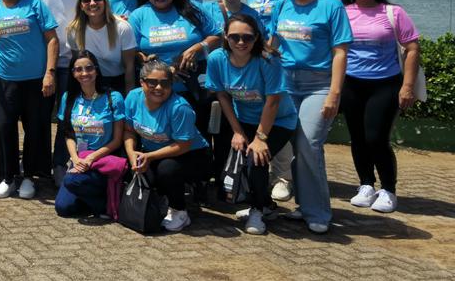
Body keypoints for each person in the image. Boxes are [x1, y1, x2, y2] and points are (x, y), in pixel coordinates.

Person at [268, 0, 351, 234]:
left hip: (319, 85)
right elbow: (272, 43)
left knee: (308, 144)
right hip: (285, 82)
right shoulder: (282, 4)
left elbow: (340, 51)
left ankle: (318, 211)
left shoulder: (331, 6)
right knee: (289, 144)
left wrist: (334, 94)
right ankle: (303, 206)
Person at [204, 15, 298, 235]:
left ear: (256, 37)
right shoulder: (217, 59)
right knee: (239, 158)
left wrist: (260, 138)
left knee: (256, 158)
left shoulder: (268, 59)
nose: (240, 42)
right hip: (244, 118)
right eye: (234, 36)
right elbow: (223, 95)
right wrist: (237, 131)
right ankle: (266, 205)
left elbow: (273, 101)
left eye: (247, 37)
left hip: (279, 120)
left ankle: (257, 210)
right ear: (225, 37)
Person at [339, 0, 421, 214]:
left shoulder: (393, 12)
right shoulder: (341, 12)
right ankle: (366, 185)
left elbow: (412, 48)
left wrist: (407, 86)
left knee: (376, 137)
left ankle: (388, 189)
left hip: (385, 83)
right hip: (351, 84)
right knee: (358, 138)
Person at [0, 0, 59, 200]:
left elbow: (52, 40)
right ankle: (8, 176)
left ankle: (29, 177)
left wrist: (50, 73)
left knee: (34, 129)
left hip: (36, 80)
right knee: (4, 129)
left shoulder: (34, 5)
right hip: (6, 80)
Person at [124, 59, 213, 233]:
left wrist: (149, 157)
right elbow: (128, 131)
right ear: (142, 82)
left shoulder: (180, 108)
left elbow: (183, 145)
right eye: (152, 82)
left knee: (167, 170)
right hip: (154, 152)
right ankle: (163, 198)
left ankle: (179, 210)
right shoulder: (133, 97)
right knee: (138, 171)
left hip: (191, 154)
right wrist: (131, 153)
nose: (158, 88)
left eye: (165, 83)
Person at [127, 0, 221, 124]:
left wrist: (198, 47)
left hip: (194, 86)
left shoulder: (192, 8)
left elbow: (217, 36)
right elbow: (133, 51)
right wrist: (154, 64)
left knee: (198, 130)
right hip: (157, 88)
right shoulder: (138, 15)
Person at [26, 0, 85, 171]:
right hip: (40, 61)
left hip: (72, 60)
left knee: (66, 116)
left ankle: (60, 162)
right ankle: (38, 165)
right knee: (37, 117)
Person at [53, 51, 127, 220]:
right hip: (80, 161)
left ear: (97, 70)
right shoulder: (68, 98)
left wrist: (91, 158)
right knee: (62, 208)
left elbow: (117, 140)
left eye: (89, 68)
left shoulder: (113, 98)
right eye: (78, 69)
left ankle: (105, 200)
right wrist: (76, 159)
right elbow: (68, 134)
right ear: (72, 73)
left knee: (72, 182)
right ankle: (103, 203)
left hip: (103, 161)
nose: (84, 73)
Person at [245, 0, 292, 197]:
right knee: (263, 115)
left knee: (278, 116)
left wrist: (268, 52)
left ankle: (283, 176)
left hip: (276, 59)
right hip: (254, 58)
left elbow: (280, 28)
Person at [65, 0, 136, 94]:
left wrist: (129, 98)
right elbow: (77, 65)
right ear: (81, 6)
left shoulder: (122, 27)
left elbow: (129, 67)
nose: (92, 3)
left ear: (105, 2)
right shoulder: (73, 30)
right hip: (88, 84)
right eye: (86, 0)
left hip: (118, 83)